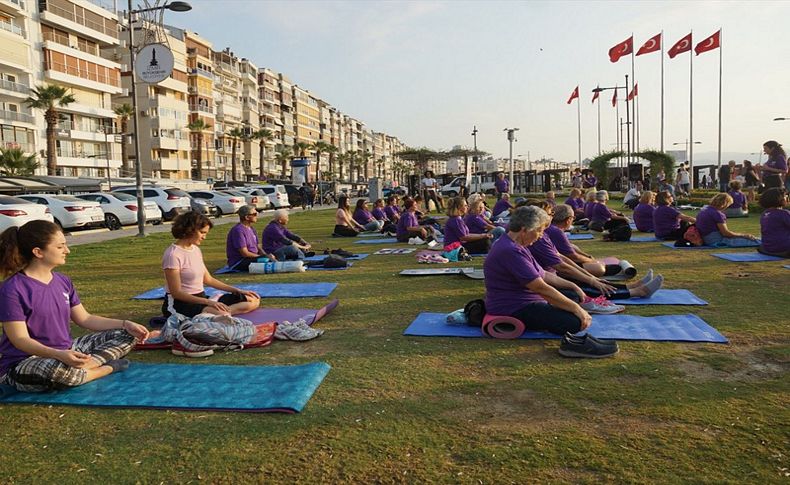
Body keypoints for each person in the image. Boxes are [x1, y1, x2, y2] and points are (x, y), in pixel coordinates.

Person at [0, 220, 148, 393]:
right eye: (60, 246)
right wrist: (58, 355)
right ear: (38, 252)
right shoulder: (12, 289)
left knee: (127, 335)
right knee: (55, 370)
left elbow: (85, 318)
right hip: (27, 361)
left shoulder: (63, 281)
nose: (67, 251)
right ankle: (103, 369)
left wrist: (125, 324)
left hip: (67, 351)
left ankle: (80, 368)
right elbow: (20, 340)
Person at [483, 206, 591, 336]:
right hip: (513, 307)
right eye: (539, 231)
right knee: (574, 322)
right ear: (525, 230)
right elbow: (540, 287)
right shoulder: (510, 251)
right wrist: (576, 309)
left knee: (573, 295)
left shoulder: (518, 245)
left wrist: (573, 285)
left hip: (525, 299)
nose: (540, 236)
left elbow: (543, 274)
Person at [526, 204, 663, 304]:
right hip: (545, 281)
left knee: (587, 281)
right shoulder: (541, 236)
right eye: (549, 213)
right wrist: (590, 275)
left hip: (550, 275)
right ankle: (636, 291)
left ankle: (631, 287)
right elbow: (562, 263)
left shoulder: (542, 235)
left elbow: (560, 257)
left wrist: (590, 276)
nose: (551, 216)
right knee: (580, 288)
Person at [163, 212, 260, 318]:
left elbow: (208, 279)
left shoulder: (195, 250)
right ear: (190, 230)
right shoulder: (173, 255)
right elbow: (176, 293)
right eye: (202, 232)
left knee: (252, 299)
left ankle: (217, 314)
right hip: (181, 303)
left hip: (201, 298)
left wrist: (237, 290)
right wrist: (209, 303)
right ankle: (218, 314)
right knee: (222, 314)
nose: (204, 237)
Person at [226, 205, 276, 271]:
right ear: (247, 217)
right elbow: (245, 253)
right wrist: (263, 257)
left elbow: (258, 247)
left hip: (252, 258)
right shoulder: (238, 231)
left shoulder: (252, 229)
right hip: (240, 262)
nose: (257, 215)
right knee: (267, 260)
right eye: (254, 214)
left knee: (273, 255)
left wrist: (266, 255)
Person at [757, 188, 790, 258]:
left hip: (768, 247)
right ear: (780, 198)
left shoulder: (764, 213)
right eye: (785, 196)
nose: (787, 197)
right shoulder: (784, 213)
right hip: (784, 246)